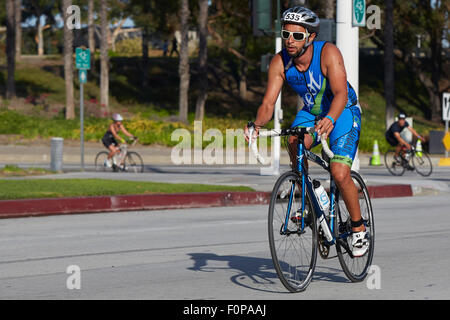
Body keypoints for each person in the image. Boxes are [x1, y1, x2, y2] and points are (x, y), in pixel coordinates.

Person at [244, 6, 368, 256]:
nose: (290, 41)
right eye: (286, 34)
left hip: (342, 110)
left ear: (311, 37)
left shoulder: (328, 53)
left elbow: (341, 93)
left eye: (297, 36)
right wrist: (256, 126)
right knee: (293, 142)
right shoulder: (279, 62)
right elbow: (268, 103)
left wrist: (331, 119)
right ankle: (310, 196)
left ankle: (358, 228)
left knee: (339, 171)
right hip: (311, 112)